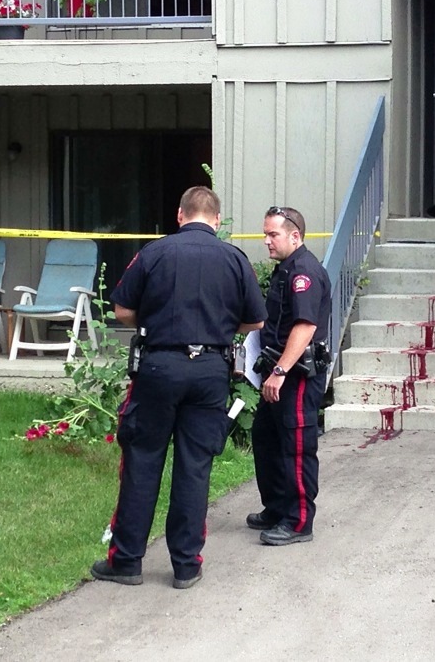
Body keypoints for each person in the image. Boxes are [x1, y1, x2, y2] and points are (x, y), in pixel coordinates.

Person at [91, 186, 265, 589]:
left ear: (180, 215)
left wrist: (157, 322)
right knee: (195, 466)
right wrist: (221, 327)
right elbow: (256, 320)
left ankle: (127, 561)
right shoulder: (235, 259)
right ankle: (186, 565)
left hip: (159, 366)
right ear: (217, 220)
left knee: (142, 460)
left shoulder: (154, 253)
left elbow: (122, 308)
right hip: (210, 370)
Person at [248, 205, 331, 546]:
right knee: (266, 437)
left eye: (273, 234)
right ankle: (278, 508)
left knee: (296, 445)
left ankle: (298, 522)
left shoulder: (303, 273)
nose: (266, 241)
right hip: (278, 370)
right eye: (265, 234)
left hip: (295, 375)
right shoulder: (286, 269)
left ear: (295, 236)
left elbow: (305, 326)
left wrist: (280, 371)